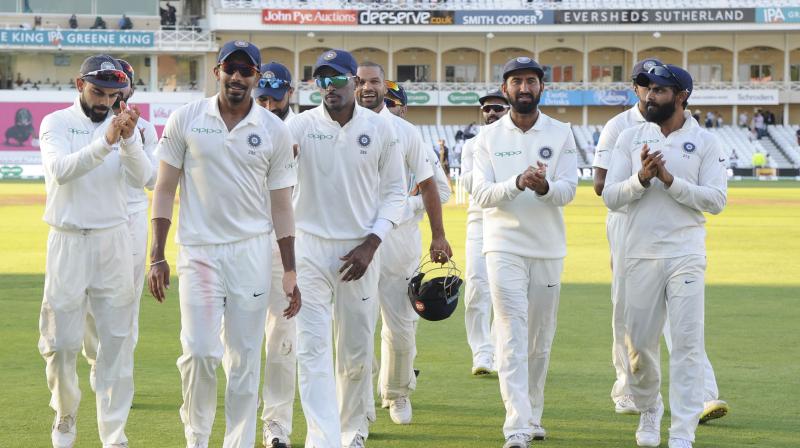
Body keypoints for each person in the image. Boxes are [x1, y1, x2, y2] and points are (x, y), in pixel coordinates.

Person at [147, 40, 300, 448]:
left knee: (245, 358)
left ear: (256, 76)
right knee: (198, 352)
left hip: (251, 250)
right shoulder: (186, 118)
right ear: (217, 71)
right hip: (198, 252)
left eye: (246, 70)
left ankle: (237, 442)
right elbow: (164, 190)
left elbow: (282, 206)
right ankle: (196, 438)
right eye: (230, 69)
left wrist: (288, 269)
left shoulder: (274, 130)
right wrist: (156, 256)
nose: (237, 77)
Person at [593, 60, 729, 423]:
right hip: (627, 226)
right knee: (628, 315)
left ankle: (700, 396)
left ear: (678, 96)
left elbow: (715, 198)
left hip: (678, 240)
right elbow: (601, 187)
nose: (647, 92)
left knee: (682, 325)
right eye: (643, 85)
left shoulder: (699, 136)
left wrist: (666, 180)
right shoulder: (620, 127)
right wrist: (642, 177)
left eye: (655, 87)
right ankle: (629, 389)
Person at [285, 49, 405, 448]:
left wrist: (372, 242)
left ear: (355, 81)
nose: (328, 87)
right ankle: (322, 438)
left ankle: (353, 429)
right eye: (321, 79)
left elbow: (395, 194)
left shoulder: (382, 129)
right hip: (310, 250)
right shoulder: (298, 126)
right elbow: (272, 180)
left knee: (355, 352)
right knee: (313, 349)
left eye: (336, 79)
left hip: (360, 252)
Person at [38, 54, 152, 448]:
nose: (104, 101)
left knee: (117, 344)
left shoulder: (127, 127)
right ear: (78, 85)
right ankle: (65, 413)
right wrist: (106, 141)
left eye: (111, 94)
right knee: (60, 345)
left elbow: (145, 179)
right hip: (67, 240)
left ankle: (115, 436)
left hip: (113, 241)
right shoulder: (56, 123)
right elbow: (60, 171)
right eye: (97, 91)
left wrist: (130, 140)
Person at [471, 56, 578, 447]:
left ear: (541, 87)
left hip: (548, 248)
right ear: (505, 89)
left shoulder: (561, 132)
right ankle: (515, 424)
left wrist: (545, 188)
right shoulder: (486, 138)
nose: (524, 88)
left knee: (540, 339)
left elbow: (568, 190)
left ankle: (532, 414)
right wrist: (518, 182)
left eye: (531, 81)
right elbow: (481, 195)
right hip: (503, 247)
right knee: (512, 334)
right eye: (516, 82)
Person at [355, 61, 452, 426]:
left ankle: (396, 394)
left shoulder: (407, 134)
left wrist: (403, 207)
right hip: (356, 241)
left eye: (392, 97)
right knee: (356, 327)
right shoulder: (340, 128)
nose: (388, 102)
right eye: (363, 83)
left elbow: (438, 189)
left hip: (400, 241)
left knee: (401, 327)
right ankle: (360, 404)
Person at [81, 59, 159, 395]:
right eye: (110, 88)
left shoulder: (146, 129)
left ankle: (119, 374)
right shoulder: (90, 123)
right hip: (93, 217)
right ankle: (98, 360)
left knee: (127, 303)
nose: (117, 93)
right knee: (86, 303)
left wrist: (132, 141)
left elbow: (151, 179)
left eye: (122, 86)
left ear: (130, 89)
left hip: (131, 216)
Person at [252, 61, 298, 448]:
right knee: (236, 343)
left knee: (283, 338)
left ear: (290, 95)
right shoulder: (242, 124)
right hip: (241, 245)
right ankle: (242, 413)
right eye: (261, 98)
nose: (268, 106)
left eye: (275, 98)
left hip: (288, 249)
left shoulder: (306, 129)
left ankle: (277, 424)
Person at [461, 87, 509, 375]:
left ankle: (500, 349)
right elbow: (469, 185)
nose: (491, 113)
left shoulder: (516, 142)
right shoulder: (472, 145)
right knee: (477, 286)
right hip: (479, 220)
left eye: (497, 108)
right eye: (487, 109)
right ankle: (481, 352)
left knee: (505, 289)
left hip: (508, 221)